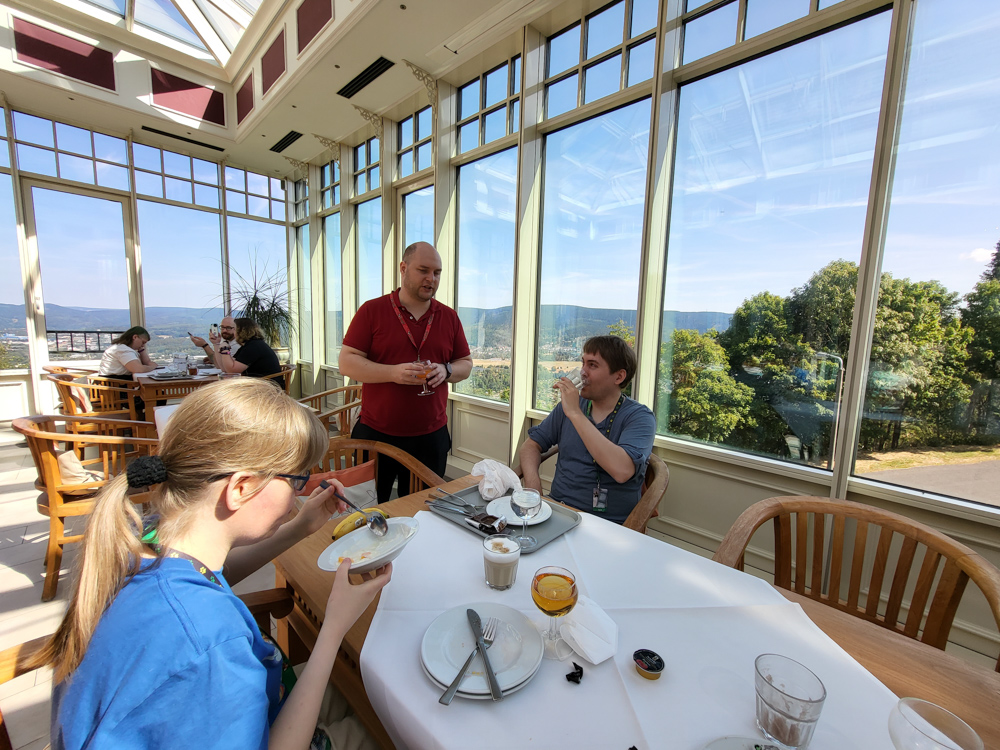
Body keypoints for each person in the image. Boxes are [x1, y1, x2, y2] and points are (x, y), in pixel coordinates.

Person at [36, 378, 392, 749]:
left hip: (238, 706)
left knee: (365, 691)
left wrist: (299, 528)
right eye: (296, 481)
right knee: (390, 730)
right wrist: (333, 628)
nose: (298, 494)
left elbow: (206, 576)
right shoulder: (208, 639)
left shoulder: (146, 540)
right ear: (241, 488)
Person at [339, 241, 473, 502]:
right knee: (367, 507)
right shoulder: (372, 310)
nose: (431, 279)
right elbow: (347, 362)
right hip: (376, 435)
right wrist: (393, 374)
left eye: (437, 272)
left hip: (431, 437)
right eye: (423, 270)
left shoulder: (449, 317)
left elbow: (465, 363)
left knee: (422, 510)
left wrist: (446, 370)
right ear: (403, 268)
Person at [519, 335, 656, 525]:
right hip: (559, 512)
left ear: (619, 376)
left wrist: (575, 414)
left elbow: (622, 471)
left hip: (608, 525)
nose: (582, 372)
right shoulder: (571, 407)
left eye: (592, 365)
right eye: (583, 363)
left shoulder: (639, 417)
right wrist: (535, 491)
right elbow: (531, 446)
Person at [210, 317, 282, 379]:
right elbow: (225, 368)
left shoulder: (253, 347)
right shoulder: (250, 344)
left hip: (266, 386)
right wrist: (217, 344)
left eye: (235, 329)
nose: (234, 333)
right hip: (260, 383)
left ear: (241, 331)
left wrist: (225, 350)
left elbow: (232, 371)